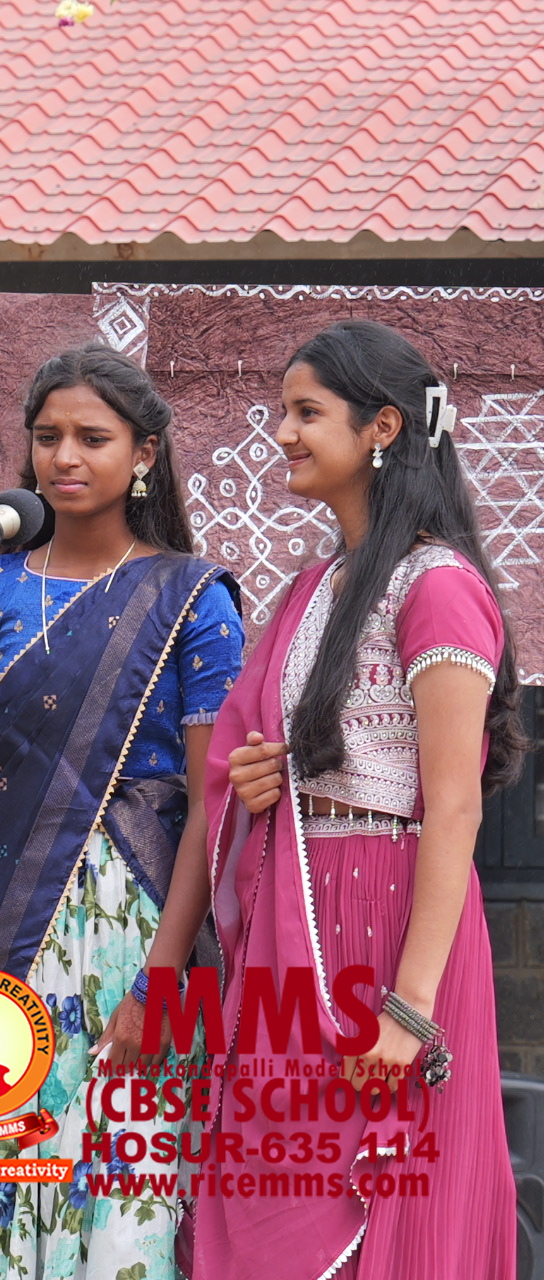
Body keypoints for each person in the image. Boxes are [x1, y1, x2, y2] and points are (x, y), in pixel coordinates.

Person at [196, 320, 519, 1280]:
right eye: (282, 412)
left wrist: (410, 1010)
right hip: (297, 913)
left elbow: (452, 809)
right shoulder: (313, 588)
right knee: (276, 1194)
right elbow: (259, 756)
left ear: (382, 427)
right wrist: (257, 780)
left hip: (392, 924)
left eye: (306, 413)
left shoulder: (439, 585)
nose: (283, 434)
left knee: (384, 1201)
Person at [0, 343, 242, 1278]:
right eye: (47, 436)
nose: (64, 456)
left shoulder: (195, 600)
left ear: (144, 453)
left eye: (92, 438)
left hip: (140, 943)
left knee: (125, 1214)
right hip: (4, 938)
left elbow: (212, 812)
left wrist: (159, 989)